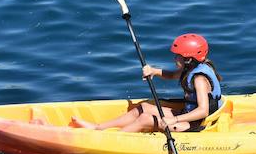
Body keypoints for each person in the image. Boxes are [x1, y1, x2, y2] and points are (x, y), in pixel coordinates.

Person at [70, 33, 224, 132]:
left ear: (188, 59)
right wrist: (154, 71)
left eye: (178, 56)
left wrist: (174, 119)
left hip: (197, 123)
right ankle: (98, 128)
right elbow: (172, 75)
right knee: (143, 108)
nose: (174, 58)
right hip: (187, 114)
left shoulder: (199, 79)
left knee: (145, 119)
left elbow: (203, 111)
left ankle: (108, 140)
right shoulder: (192, 68)